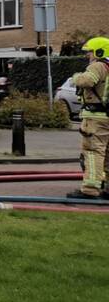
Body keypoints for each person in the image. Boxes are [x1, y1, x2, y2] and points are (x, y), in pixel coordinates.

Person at [66, 36, 109, 199]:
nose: (88, 55)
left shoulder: (98, 66)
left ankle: (90, 190)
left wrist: (76, 77)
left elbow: (87, 81)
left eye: (90, 52)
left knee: (93, 151)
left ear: (99, 51)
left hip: (96, 118)